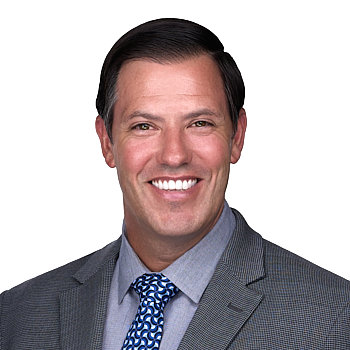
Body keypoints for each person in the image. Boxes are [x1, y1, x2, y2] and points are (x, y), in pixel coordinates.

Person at [1, 18, 349, 350]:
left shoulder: (334, 319)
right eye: (144, 126)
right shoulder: (16, 316)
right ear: (107, 142)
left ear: (237, 137)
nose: (173, 155)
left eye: (199, 123)